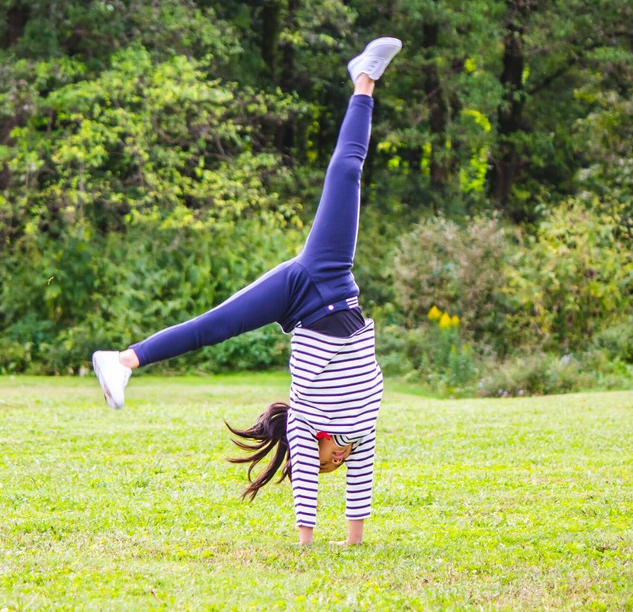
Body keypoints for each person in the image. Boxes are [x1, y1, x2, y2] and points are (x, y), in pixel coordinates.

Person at [92, 37, 402, 546]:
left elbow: (306, 478)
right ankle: (364, 81)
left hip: (300, 294)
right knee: (348, 172)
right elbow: (361, 484)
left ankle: (121, 361)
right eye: (335, 466)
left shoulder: (305, 422)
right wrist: (354, 541)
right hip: (335, 281)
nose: (337, 464)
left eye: (329, 465)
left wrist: (307, 544)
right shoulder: (362, 428)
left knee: (214, 327)